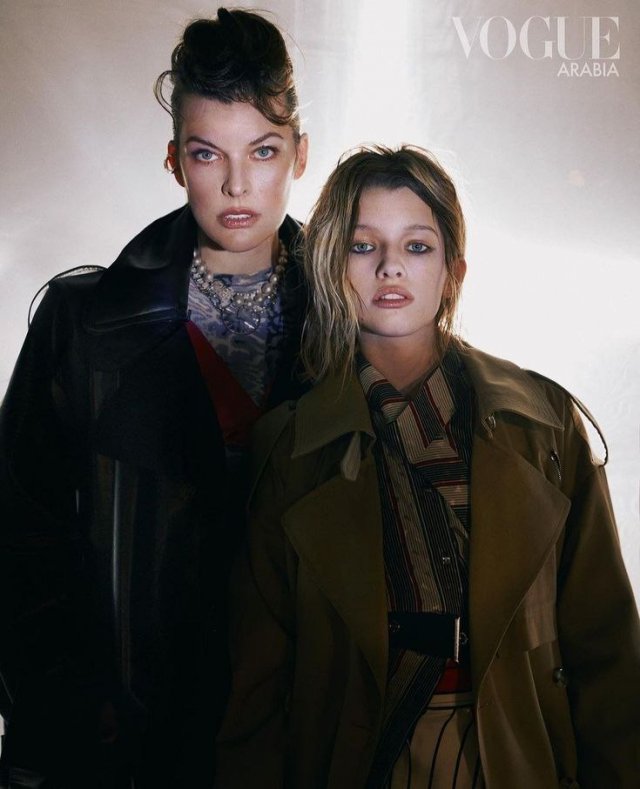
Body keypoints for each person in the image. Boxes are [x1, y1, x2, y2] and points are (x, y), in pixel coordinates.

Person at [215, 146, 640, 788]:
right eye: (363, 246)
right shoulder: (289, 447)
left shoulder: (544, 424)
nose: (390, 266)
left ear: (453, 271)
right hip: (360, 759)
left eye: (417, 246)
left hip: (514, 753)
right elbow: (257, 687)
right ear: (332, 265)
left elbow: (607, 650)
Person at [0, 8, 308, 789]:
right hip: (129, 738)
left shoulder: (356, 327)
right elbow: (18, 529)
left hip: (298, 736)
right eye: (208, 153)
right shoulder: (83, 323)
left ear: (298, 155)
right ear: (175, 162)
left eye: (262, 150)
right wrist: (67, 696)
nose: (236, 184)